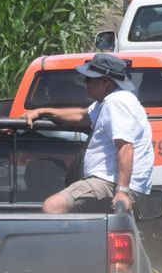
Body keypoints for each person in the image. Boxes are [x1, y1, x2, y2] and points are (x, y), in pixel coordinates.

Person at [22, 54, 153, 214]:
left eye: (89, 78)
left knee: (53, 206)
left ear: (105, 82)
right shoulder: (108, 101)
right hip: (111, 182)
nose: (85, 83)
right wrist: (43, 111)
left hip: (110, 183)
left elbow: (125, 147)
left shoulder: (117, 102)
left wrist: (122, 192)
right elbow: (81, 116)